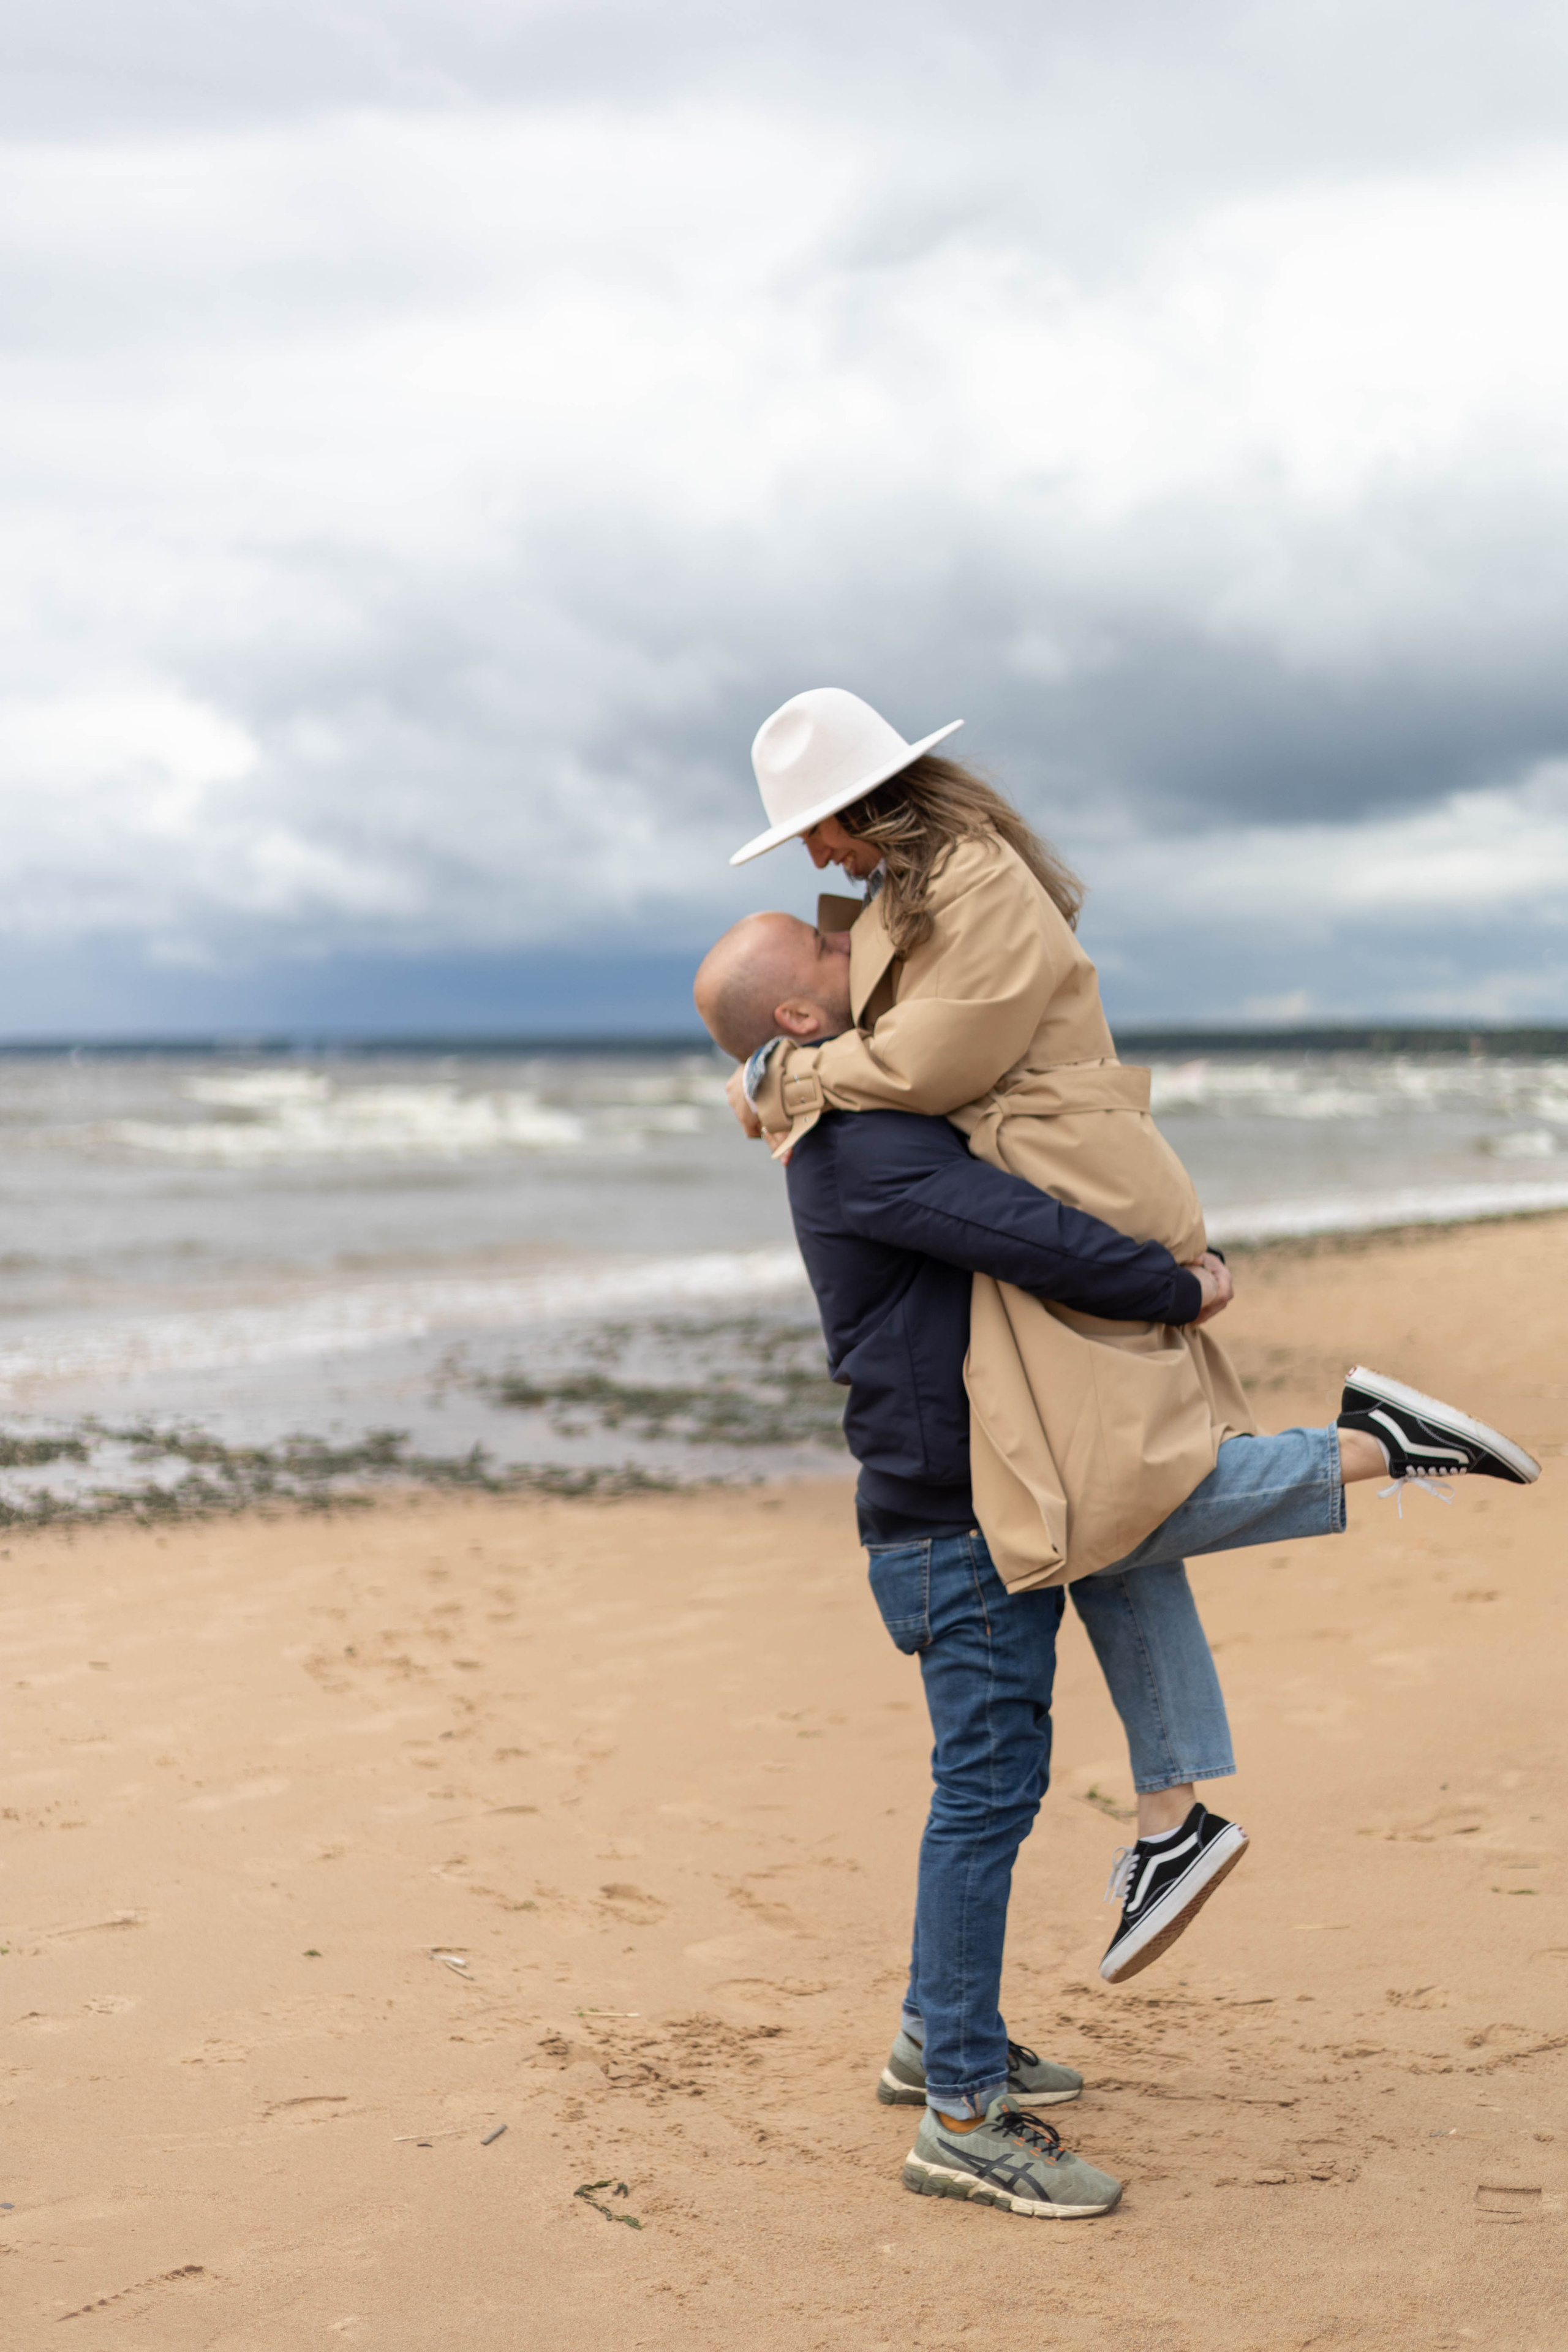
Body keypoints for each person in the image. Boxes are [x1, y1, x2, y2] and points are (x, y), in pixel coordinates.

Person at [692, 912, 1539, 2221]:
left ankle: (940, 2029)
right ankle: (962, 2118)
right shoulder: (864, 1149)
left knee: (1102, 1574)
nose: (843, 932)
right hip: (952, 1528)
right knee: (983, 1799)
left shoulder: (861, 1112)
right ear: (799, 1018)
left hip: (986, 1492)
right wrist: (1178, 1288)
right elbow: (1028, 1233)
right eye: (816, 942)